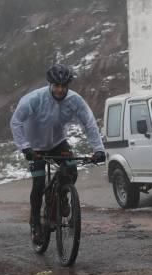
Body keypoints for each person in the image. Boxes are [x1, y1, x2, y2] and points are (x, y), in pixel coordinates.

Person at [10, 63, 106, 244]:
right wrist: (25, 148)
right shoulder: (34, 99)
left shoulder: (75, 100)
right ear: (50, 84)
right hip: (35, 146)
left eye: (64, 86)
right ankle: (36, 223)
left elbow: (89, 124)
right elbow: (16, 122)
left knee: (71, 169)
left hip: (57, 142)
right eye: (57, 86)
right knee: (38, 184)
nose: (60, 90)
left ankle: (61, 196)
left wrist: (99, 149)